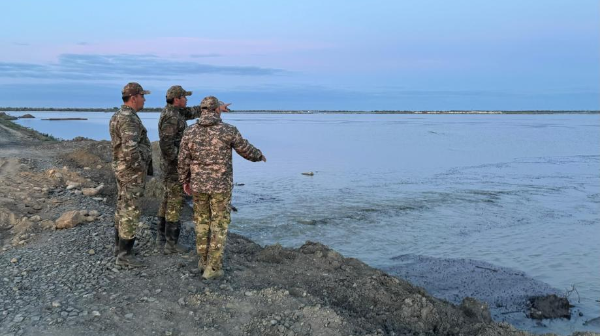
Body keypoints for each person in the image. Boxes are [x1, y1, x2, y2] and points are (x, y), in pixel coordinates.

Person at [178, 96, 266, 280]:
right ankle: (214, 268)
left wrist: (185, 181)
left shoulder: (190, 131)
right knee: (219, 225)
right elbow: (246, 150)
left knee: (201, 224)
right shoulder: (228, 130)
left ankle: (203, 262)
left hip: (199, 185)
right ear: (216, 110)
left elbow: (183, 159)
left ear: (202, 110)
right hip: (221, 187)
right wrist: (259, 156)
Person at [156, 85, 231, 254]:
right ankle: (171, 244)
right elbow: (166, 145)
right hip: (173, 166)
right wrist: (182, 162)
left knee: (167, 199)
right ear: (177, 99)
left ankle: (161, 238)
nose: (187, 99)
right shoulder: (171, 117)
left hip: (172, 165)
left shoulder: (176, 112)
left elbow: (193, 111)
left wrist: (217, 108)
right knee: (174, 201)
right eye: (184, 97)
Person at [109, 82, 153, 267]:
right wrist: (140, 167)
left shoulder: (118, 115)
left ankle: (120, 248)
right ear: (134, 97)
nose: (144, 100)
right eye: (143, 96)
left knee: (122, 206)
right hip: (130, 172)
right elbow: (130, 149)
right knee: (130, 210)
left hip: (122, 169)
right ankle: (125, 256)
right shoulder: (129, 119)